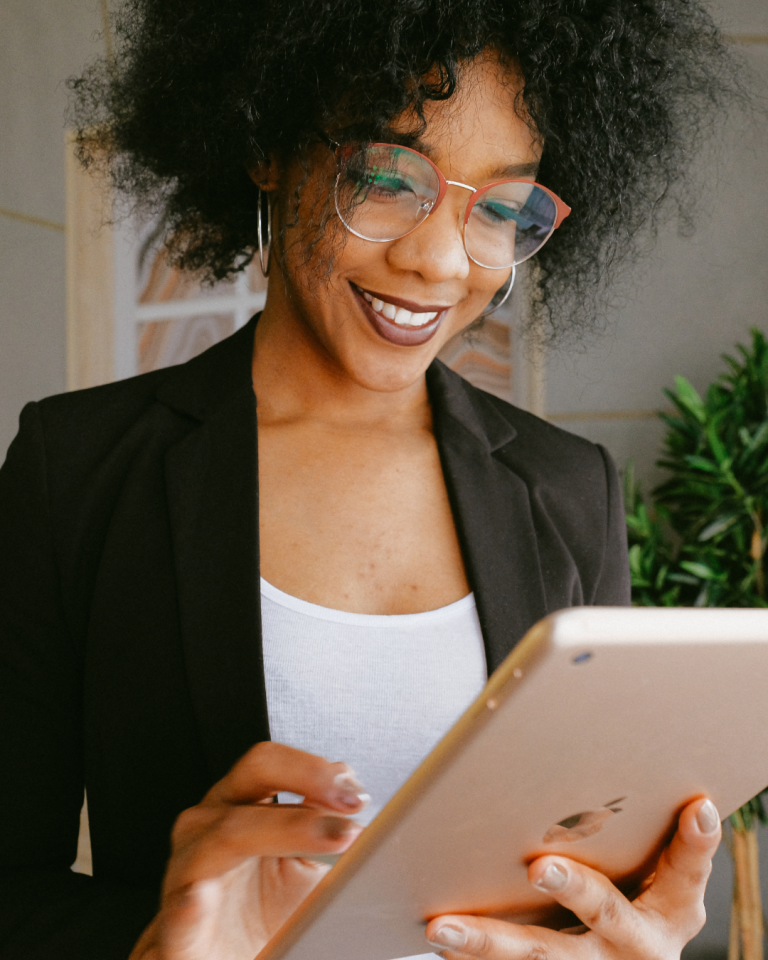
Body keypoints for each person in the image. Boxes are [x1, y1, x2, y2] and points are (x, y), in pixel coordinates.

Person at [0, 1, 740, 957]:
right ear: (267, 145)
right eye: (389, 180)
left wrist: (643, 934)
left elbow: (591, 882)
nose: (439, 262)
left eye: (503, 208)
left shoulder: (568, 490)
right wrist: (158, 939)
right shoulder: (80, 471)